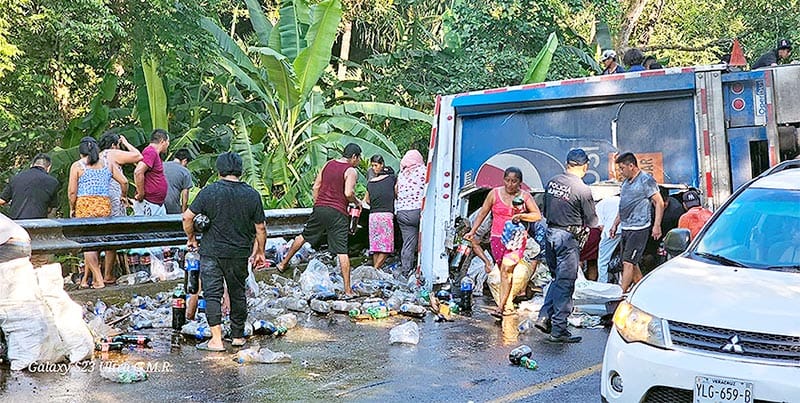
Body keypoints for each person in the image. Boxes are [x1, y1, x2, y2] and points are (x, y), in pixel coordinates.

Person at [182, 152, 267, 351]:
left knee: (212, 294)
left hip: (212, 251)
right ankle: (237, 337)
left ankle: (216, 340)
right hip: (239, 253)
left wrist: (191, 239)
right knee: (237, 293)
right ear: (240, 170)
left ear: (219, 170)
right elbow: (260, 228)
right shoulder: (251, 194)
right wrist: (260, 252)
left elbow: (187, 217)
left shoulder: (209, 192)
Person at [276, 143, 363, 298]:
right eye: (359, 158)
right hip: (337, 212)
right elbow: (348, 192)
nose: (359, 162)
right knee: (342, 250)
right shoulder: (351, 171)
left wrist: (318, 204)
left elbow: (316, 186)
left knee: (303, 236)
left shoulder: (328, 164)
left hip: (320, 207)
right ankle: (348, 290)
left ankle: (283, 263)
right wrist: (357, 202)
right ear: (354, 157)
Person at [534, 149, 597, 343]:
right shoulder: (582, 189)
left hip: (550, 234)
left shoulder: (552, 182)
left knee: (556, 278)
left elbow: (544, 209)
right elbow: (592, 221)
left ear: (566, 164)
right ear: (585, 166)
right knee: (566, 282)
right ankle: (559, 329)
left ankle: (544, 317)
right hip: (567, 239)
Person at [465, 167, 542, 318]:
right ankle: (507, 305)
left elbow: (536, 215)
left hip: (516, 239)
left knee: (507, 270)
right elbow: (482, 213)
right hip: (497, 239)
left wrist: (521, 216)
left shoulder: (524, 197)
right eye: (507, 180)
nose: (510, 184)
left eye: (514, 181)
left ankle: (500, 307)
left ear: (520, 182)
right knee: (504, 272)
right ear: (503, 180)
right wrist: (472, 231)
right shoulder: (494, 194)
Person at [68, 137, 128, 289]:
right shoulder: (108, 164)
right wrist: (123, 196)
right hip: (103, 205)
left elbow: (72, 191)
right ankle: (96, 278)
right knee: (100, 240)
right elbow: (124, 182)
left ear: (81, 152)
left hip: (85, 205)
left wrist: (72, 207)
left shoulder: (78, 166)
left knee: (89, 244)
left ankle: (98, 278)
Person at [609, 152, 664, 293]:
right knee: (631, 262)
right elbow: (623, 206)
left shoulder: (645, 180)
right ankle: (642, 289)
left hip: (639, 228)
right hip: (626, 227)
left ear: (631, 166)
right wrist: (615, 224)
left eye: (622, 168)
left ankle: (620, 294)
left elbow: (659, 202)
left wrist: (656, 225)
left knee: (628, 262)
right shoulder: (626, 183)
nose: (621, 172)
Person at [98, 131, 142, 283]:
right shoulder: (112, 153)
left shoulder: (96, 156)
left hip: (99, 199)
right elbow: (138, 156)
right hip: (114, 197)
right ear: (113, 145)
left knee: (98, 236)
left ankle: (96, 275)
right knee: (113, 235)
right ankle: (108, 274)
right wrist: (126, 143)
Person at [395, 149, 426, 278]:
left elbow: (396, 190)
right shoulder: (423, 171)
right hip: (418, 210)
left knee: (408, 242)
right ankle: (423, 269)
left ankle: (406, 271)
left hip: (402, 212)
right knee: (425, 240)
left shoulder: (401, 174)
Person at [0, 153, 59, 219]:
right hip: (39, 224)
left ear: (31, 165)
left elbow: (2, 201)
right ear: (49, 168)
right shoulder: (53, 182)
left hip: (16, 224)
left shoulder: (16, 178)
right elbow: (50, 209)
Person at [363, 155, 396, 270]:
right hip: (386, 215)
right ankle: (375, 270)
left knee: (376, 246)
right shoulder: (391, 179)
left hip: (373, 216)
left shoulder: (370, 183)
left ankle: (375, 269)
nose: (374, 168)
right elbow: (396, 193)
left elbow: (366, 200)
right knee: (386, 247)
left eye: (375, 165)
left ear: (382, 165)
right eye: (372, 166)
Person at [133, 129, 170, 216]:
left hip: (157, 204)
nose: (168, 145)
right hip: (149, 203)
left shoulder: (154, 154)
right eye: (168, 142)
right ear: (162, 141)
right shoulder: (151, 152)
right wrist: (140, 193)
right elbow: (138, 172)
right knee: (147, 228)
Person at [595, 191, 621, 284]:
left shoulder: (599, 205)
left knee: (603, 260)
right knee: (626, 259)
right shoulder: (620, 200)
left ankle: (602, 282)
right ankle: (623, 282)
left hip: (611, 231)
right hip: (626, 229)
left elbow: (600, 225)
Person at [164, 148, 193, 214]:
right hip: (173, 208)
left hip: (157, 207)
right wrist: (183, 213)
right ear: (185, 161)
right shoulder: (185, 172)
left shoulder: (161, 166)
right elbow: (185, 195)